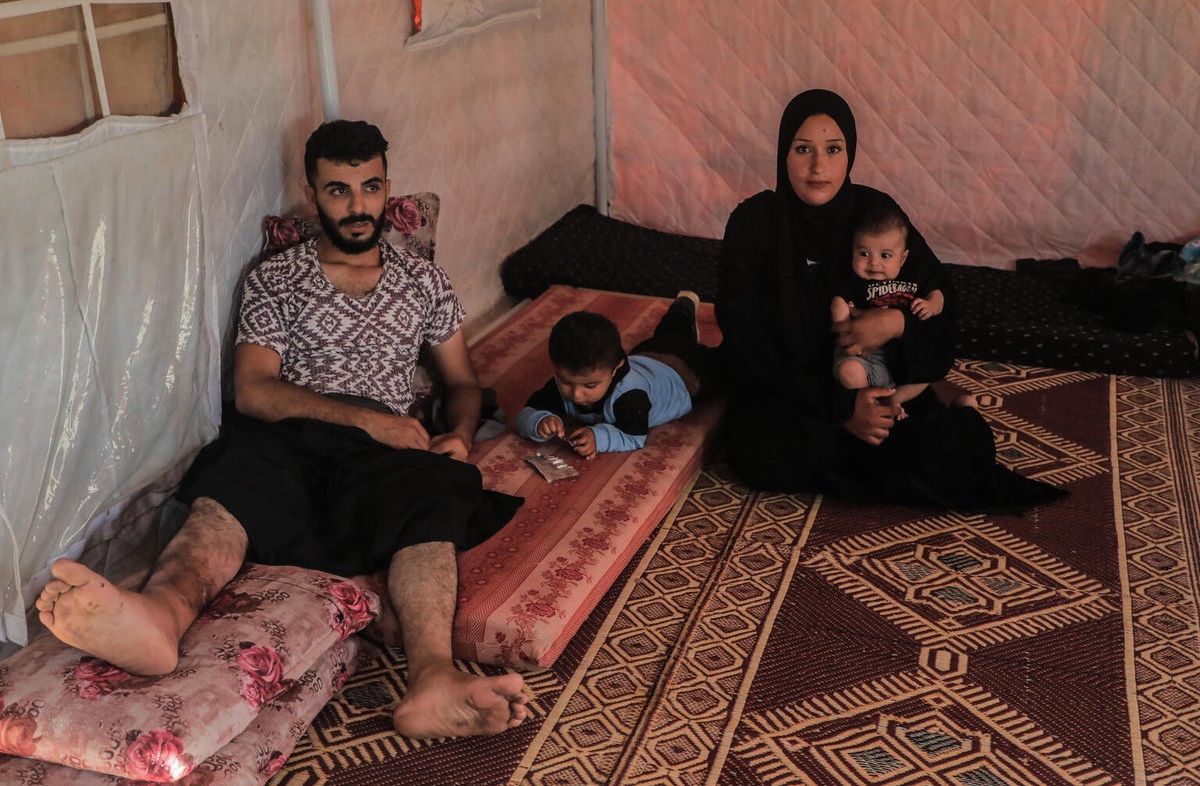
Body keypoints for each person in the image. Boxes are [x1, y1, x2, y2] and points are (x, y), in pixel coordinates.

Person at [35, 119, 529, 740]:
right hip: (292, 432)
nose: (357, 207)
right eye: (339, 190)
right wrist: (368, 419)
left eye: (370, 188)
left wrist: (458, 433)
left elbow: (463, 383)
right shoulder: (277, 277)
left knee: (435, 497)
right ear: (312, 191)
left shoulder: (423, 281)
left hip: (388, 454)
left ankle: (431, 677)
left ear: (388, 189)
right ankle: (159, 617)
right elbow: (255, 391)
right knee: (227, 494)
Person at [716, 88, 1065, 512]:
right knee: (757, 456)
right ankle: (869, 453)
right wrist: (843, 409)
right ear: (782, 153)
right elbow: (745, 340)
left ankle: (948, 412)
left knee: (950, 458)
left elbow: (942, 300)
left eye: (833, 149)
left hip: (880, 385)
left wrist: (898, 324)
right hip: (794, 394)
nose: (818, 166)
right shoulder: (754, 225)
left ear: (851, 154)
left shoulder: (873, 213)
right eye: (802, 149)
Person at [515, 292, 717, 458]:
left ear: (616, 368)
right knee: (670, 333)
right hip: (648, 352)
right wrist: (539, 421)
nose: (576, 394)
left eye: (590, 386)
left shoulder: (630, 397)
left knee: (731, 365)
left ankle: (684, 311)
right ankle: (683, 308)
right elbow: (526, 413)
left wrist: (598, 437)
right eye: (566, 381)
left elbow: (634, 437)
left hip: (687, 375)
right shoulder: (562, 384)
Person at [830, 205, 949, 418]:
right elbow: (837, 300)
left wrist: (931, 305)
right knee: (848, 373)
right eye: (864, 253)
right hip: (863, 354)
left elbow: (939, 294)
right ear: (852, 252)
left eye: (885, 255)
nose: (874, 262)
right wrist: (844, 320)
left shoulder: (914, 278)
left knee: (931, 370)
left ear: (902, 258)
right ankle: (870, 400)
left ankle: (894, 399)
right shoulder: (854, 281)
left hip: (902, 353)